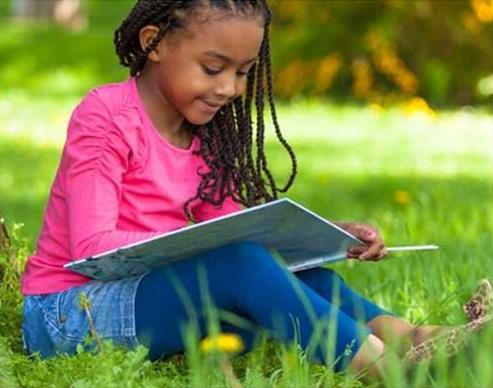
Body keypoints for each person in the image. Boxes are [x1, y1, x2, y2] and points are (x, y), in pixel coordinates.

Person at [20, 0, 492, 381]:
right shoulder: (105, 117)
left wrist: (326, 236)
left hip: (151, 298)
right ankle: (384, 369)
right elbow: (91, 246)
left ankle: (414, 337)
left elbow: (233, 229)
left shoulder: (206, 132)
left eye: (243, 72)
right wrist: (225, 254)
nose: (229, 87)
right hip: (68, 311)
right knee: (241, 264)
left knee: (304, 279)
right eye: (212, 68)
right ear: (154, 43)